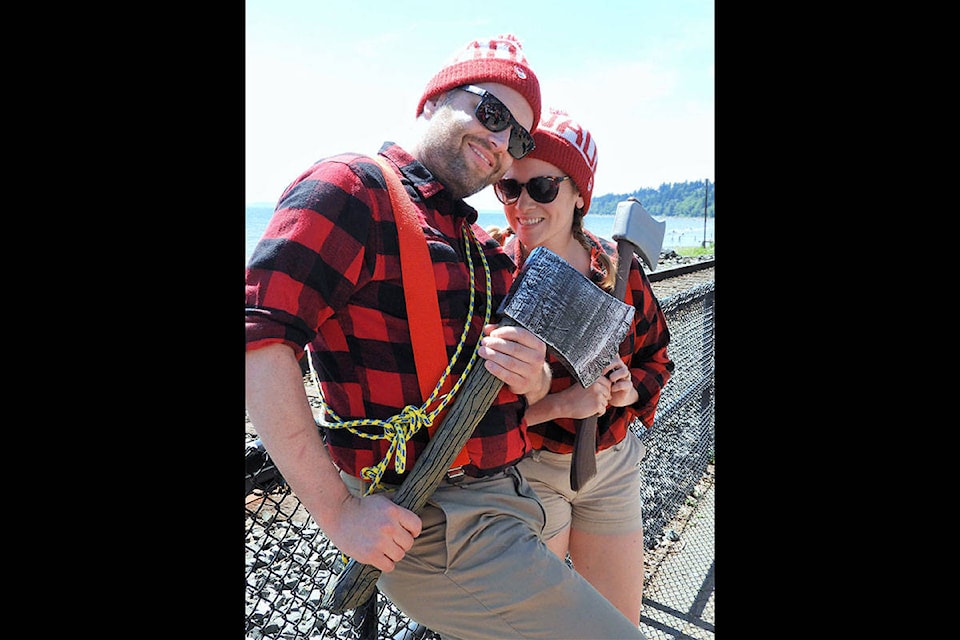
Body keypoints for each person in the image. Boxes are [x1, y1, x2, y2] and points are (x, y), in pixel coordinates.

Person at [245, 35, 648, 640]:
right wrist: (339, 512)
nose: (500, 146)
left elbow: (532, 383)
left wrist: (533, 373)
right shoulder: (353, 190)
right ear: (434, 98)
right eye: (491, 114)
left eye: (516, 138)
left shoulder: (477, 246)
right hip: (440, 519)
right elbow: (260, 338)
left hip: (513, 498)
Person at [497, 107, 674, 624]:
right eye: (509, 188)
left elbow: (657, 354)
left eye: (543, 188)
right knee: (541, 627)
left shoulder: (619, 270)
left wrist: (629, 390)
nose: (523, 204)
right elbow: (468, 414)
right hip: (530, 470)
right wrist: (561, 402)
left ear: (579, 195)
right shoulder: (492, 273)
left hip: (612, 464)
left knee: (619, 624)